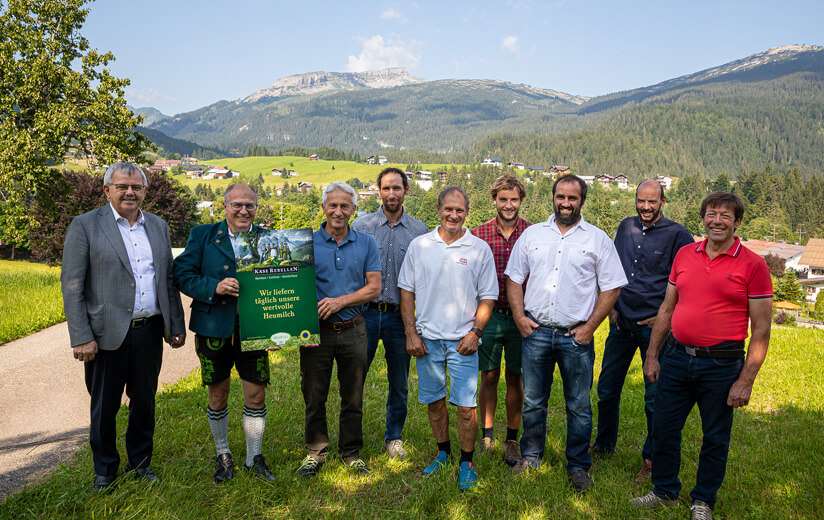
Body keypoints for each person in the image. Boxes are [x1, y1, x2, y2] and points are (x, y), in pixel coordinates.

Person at [630, 192, 773, 520]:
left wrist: (746, 380)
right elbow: (667, 308)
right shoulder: (684, 255)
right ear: (703, 217)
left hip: (722, 366)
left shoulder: (753, 265)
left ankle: (703, 501)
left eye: (725, 216)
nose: (717, 221)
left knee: (715, 436)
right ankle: (664, 491)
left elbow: (762, 330)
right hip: (676, 358)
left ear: (737, 223)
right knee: (663, 428)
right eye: (712, 214)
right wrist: (653, 355)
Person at [61, 162, 186, 490]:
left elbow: (167, 279)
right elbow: (72, 284)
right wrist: (81, 336)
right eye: (122, 186)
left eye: (137, 187)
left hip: (149, 331)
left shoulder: (158, 226)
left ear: (145, 191)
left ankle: (141, 462)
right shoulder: (85, 225)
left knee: (145, 401)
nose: (130, 192)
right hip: (104, 336)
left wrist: (175, 324)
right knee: (105, 406)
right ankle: (105, 469)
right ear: (107, 190)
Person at [505, 174, 627, 493]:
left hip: (577, 337)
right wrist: (518, 315)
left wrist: (590, 327)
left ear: (581, 200)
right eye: (561, 196)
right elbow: (514, 278)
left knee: (578, 404)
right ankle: (530, 457)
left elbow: (612, 286)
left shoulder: (597, 239)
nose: (566, 203)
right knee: (533, 400)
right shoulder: (532, 235)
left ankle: (578, 465)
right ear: (553, 197)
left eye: (572, 198)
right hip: (536, 332)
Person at [591, 180, 694, 481]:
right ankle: (603, 444)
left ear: (663, 200)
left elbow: (689, 281)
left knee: (655, 397)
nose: (646, 207)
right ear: (635, 200)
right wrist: (610, 308)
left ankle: (652, 460)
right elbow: (610, 268)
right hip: (621, 323)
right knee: (607, 390)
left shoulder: (678, 235)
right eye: (641, 201)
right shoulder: (625, 227)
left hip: (655, 328)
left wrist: (666, 317)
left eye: (652, 201)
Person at [398, 186, 498, 491]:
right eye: (448, 209)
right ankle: (443, 452)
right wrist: (411, 333)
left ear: (467, 212)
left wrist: (475, 332)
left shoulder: (478, 249)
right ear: (439, 210)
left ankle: (466, 461)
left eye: (460, 210)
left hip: (463, 342)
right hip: (427, 341)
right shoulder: (420, 246)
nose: (454, 215)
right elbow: (406, 291)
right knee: (435, 402)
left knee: (466, 406)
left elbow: (489, 296)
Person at [174, 184, 275, 483]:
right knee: (218, 393)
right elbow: (181, 273)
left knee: (256, 394)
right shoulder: (202, 235)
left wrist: (280, 328)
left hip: (255, 328)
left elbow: (283, 287)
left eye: (250, 205)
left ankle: (253, 456)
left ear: (257, 207)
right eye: (237, 205)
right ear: (225, 205)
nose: (244, 210)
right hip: (213, 327)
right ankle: (223, 454)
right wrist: (213, 287)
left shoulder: (269, 238)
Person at [298, 182, 381, 477]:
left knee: (353, 394)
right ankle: (315, 452)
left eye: (345, 206)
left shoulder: (366, 243)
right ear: (323, 208)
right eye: (332, 205)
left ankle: (351, 452)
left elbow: (374, 287)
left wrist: (339, 301)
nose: (338, 211)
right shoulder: (305, 243)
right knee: (314, 394)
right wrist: (297, 329)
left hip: (354, 329)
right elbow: (293, 290)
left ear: (354, 210)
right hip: (314, 332)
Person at [352, 167, 428, 460]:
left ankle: (394, 437)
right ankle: (352, 438)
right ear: (378, 190)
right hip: (366, 314)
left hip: (400, 317)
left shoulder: (420, 232)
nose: (392, 194)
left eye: (397, 188)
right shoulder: (362, 226)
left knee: (399, 380)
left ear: (406, 190)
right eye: (386, 188)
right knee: (355, 377)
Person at [470, 175, 531, 466]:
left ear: (521, 201)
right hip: (490, 315)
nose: (509, 205)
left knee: (515, 376)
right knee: (490, 375)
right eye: (503, 199)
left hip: (522, 316)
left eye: (514, 199)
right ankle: (487, 435)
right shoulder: (479, 234)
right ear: (494, 200)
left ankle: (512, 439)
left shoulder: (533, 234)